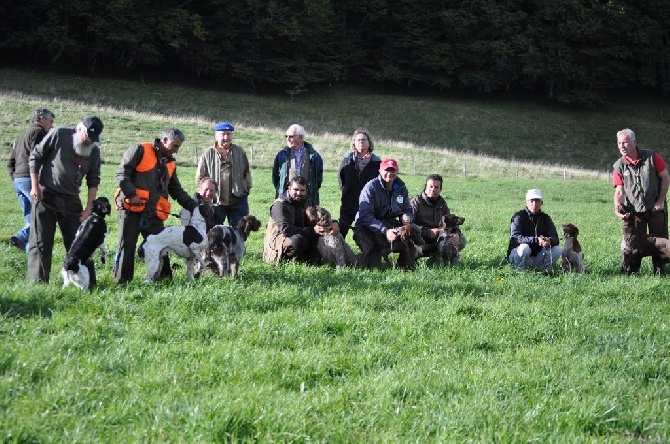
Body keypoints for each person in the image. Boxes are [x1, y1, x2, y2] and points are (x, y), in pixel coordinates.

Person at [114, 128, 198, 284]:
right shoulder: (139, 149)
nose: (176, 151)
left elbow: (176, 190)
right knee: (128, 245)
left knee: (162, 243)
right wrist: (132, 195)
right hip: (131, 208)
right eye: (174, 146)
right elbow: (122, 174)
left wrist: (194, 207)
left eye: (178, 147)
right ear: (164, 140)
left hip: (153, 211)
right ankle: (123, 282)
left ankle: (164, 280)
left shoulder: (170, 162)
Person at [27, 116, 104, 283]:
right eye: (88, 138)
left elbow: (93, 180)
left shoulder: (94, 152)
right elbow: (36, 156)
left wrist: (89, 208)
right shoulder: (59, 134)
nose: (90, 142)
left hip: (71, 200)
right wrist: (34, 186)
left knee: (81, 242)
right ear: (79, 130)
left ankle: (88, 282)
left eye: (94, 140)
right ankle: (37, 283)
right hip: (45, 195)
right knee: (41, 242)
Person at [613, 128, 670, 274]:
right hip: (635, 211)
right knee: (633, 242)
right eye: (619, 143)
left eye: (625, 142)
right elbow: (619, 191)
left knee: (659, 241)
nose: (622, 146)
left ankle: (659, 271)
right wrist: (617, 208)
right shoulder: (619, 165)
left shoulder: (652, 157)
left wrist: (661, 200)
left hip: (655, 207)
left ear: (634, 141)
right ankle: (632, 272)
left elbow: (665, 177)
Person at [7, 108, 55, 252]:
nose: (51, 125)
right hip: (31, 179)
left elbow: (11, 160)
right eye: (50, 121)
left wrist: (15, 177)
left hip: (19, 179)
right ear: (41, 118)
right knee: (41, 215)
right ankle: (21, 237)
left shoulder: (24, 134)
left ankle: (30, 250)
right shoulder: (39, 133)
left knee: (30, 217)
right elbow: (38, 158)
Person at [263, 175, 338, 265]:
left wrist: (334, 223)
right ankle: (287, 260)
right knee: (298, 241)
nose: (299, 193)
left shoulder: (307, 201)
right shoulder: (279, 205)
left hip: (302, 233)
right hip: (280, 241)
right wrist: (312, 230)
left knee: (320, 236)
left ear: (306, 191)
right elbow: (286, 230)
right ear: (289, 188)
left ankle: (310, 259)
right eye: (296, 190)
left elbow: (321, 215)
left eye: (302, 190)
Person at [353, 158, 414, 269]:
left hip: (389, 224)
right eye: (387, 170)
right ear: (380, 171)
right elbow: (365, 216)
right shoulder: (370, 187)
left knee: (412, 239)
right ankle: (358, 260)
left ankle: (404, 262)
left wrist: (407, 216)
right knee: (374, 266)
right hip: (367, 227)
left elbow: (408, 209)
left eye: (393, 170)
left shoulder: (401, 188)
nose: (390, 173)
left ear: (397, 172)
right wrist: (385, 231)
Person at [195, 121, 252, 226]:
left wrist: (246, 188)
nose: (226, 137)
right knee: (212, 232)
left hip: (238, 200)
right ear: (216, 136)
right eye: (223, 134)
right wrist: (205, 196)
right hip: (215, 200)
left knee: (239, 233)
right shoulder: (207, 153)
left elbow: (247, 172)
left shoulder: (240, 152)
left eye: (229, 134)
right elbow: (200, 177)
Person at [338, 128, 382, 238]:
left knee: (366, 234)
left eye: (364, 139)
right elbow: (341, 178)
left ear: (369, 143)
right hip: (348, 202)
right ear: (354, 143)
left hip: (367, 204)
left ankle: (367, 254)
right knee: (341, 231)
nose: (361, 142)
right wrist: (346, 191)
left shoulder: (377, 163)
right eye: (358, 140)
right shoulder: (347, 160)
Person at [410, 173, 467, 258]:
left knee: (461, 240)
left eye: (436, 187)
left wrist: (456, 233)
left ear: (440, 189)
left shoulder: (442, 204)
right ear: (426, 187)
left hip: (438, 239)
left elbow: (451, 222)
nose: (433, 189)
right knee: (411, 254)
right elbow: (408, 224)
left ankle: (437, 258)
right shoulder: (415, 202)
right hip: (419, 240)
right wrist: (427, 232)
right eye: (431, 186)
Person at [507, 189, 562, 271]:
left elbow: (555, 238)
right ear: (526, 202)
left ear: (541, 203)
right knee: (524, 248)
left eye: (537, 201)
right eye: (531, 201)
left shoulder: (546, 218)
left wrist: (548, 240)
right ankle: (519, 271)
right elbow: (515, 238)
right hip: (519, 255)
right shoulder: (518, 217)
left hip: (538, 256)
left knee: (557, 250)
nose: (534, 204)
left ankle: (543, 271)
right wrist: (536, 240)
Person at [272, 124, 323, 204]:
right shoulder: (281, 155)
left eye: (291, 136)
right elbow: (276, 178)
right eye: (286, 136)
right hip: (286, 199)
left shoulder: (314, 156)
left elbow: (318, 179)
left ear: (301, 137)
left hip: (307, 199)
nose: (288, 139)